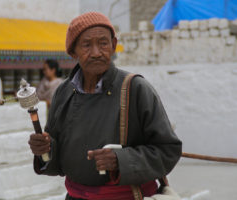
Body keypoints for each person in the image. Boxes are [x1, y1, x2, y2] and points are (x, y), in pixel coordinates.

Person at [28, 12, 182, 200]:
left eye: (103, 43)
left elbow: (168, 150)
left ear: (113, 45)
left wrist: (121, 160)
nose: (96, 52)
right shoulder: (63, 93)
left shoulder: (136, 89)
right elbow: (58, 159)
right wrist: (45, 149)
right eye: (86, 45)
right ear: (73, 52)